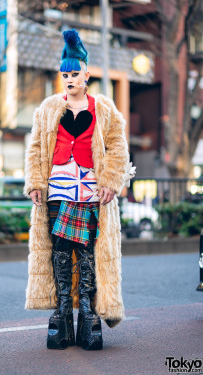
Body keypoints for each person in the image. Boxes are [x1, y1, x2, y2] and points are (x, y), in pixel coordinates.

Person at [24, 29, 135, 350]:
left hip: (89, 192)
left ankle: (88, 317)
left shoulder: (104, 108)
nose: (69, 79)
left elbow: (117, 146)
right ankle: (61, 317)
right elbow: (34, 148)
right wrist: (34, 183)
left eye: (75, 74)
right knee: (59, 250)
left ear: (87, 74)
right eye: (65, 74)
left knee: (86, 251)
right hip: (56, 190)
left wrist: (111, 182)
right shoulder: (47, 107)